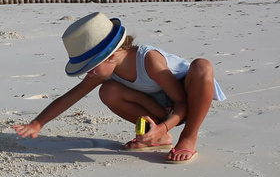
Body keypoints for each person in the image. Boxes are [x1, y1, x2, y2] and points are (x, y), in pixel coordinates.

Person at [13, 12, 226, 164]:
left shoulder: (148, 59)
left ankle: (189, 137)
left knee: (202, 66)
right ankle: (157, 138)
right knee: (108, 90)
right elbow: (71, 97)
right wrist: (37, 123)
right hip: (160, 109)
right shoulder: (105, 69)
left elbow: (181, 103)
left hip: (189, 101)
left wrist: (165, 125)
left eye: (90, 67)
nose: (89, 74)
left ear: (112, 55)